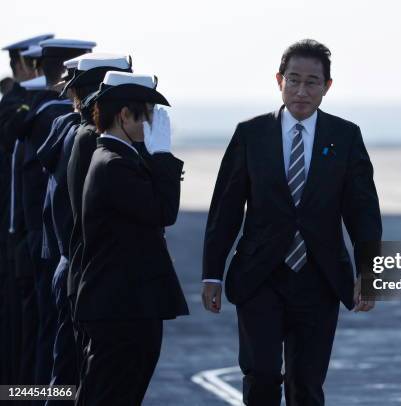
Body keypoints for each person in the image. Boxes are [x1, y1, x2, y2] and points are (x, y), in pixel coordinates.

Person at [201, 39, 382, 406]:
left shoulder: (345, 137)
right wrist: (212, 274)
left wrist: (369, 271)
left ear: (327, 87)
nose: (302, 90)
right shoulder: (251, 134)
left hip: (320, 278)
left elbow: (363, 211)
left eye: (312, 82)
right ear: (279, 80)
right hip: (260, 275)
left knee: (307, 386)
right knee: (263, 376)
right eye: (294, 80)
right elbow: (226, 208)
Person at [74, 72, 188, 405]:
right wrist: (163, 156)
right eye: (147, 116)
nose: (151, 125)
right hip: (122, 310)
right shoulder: (114, 164)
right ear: (124, 115)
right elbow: (163, 211)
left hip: (125, 306)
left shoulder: (116, 158)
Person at [38, 53, 132, 401]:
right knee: (74, 378)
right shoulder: (91, 139)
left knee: (64, 371)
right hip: (86, 272)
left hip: (68, 266)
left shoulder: (69, 128)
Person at [19, 38, 95, 387]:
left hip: (46, 248)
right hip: (63, 257)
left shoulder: (52, 119)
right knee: (63, 361)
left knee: (48, 349)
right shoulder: (66, 124)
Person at [0, 33, 53, 386]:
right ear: (23, 66)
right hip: (18, 235)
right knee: (24, 332)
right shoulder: (21, 108)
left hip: (25, 235)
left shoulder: (31, 105)